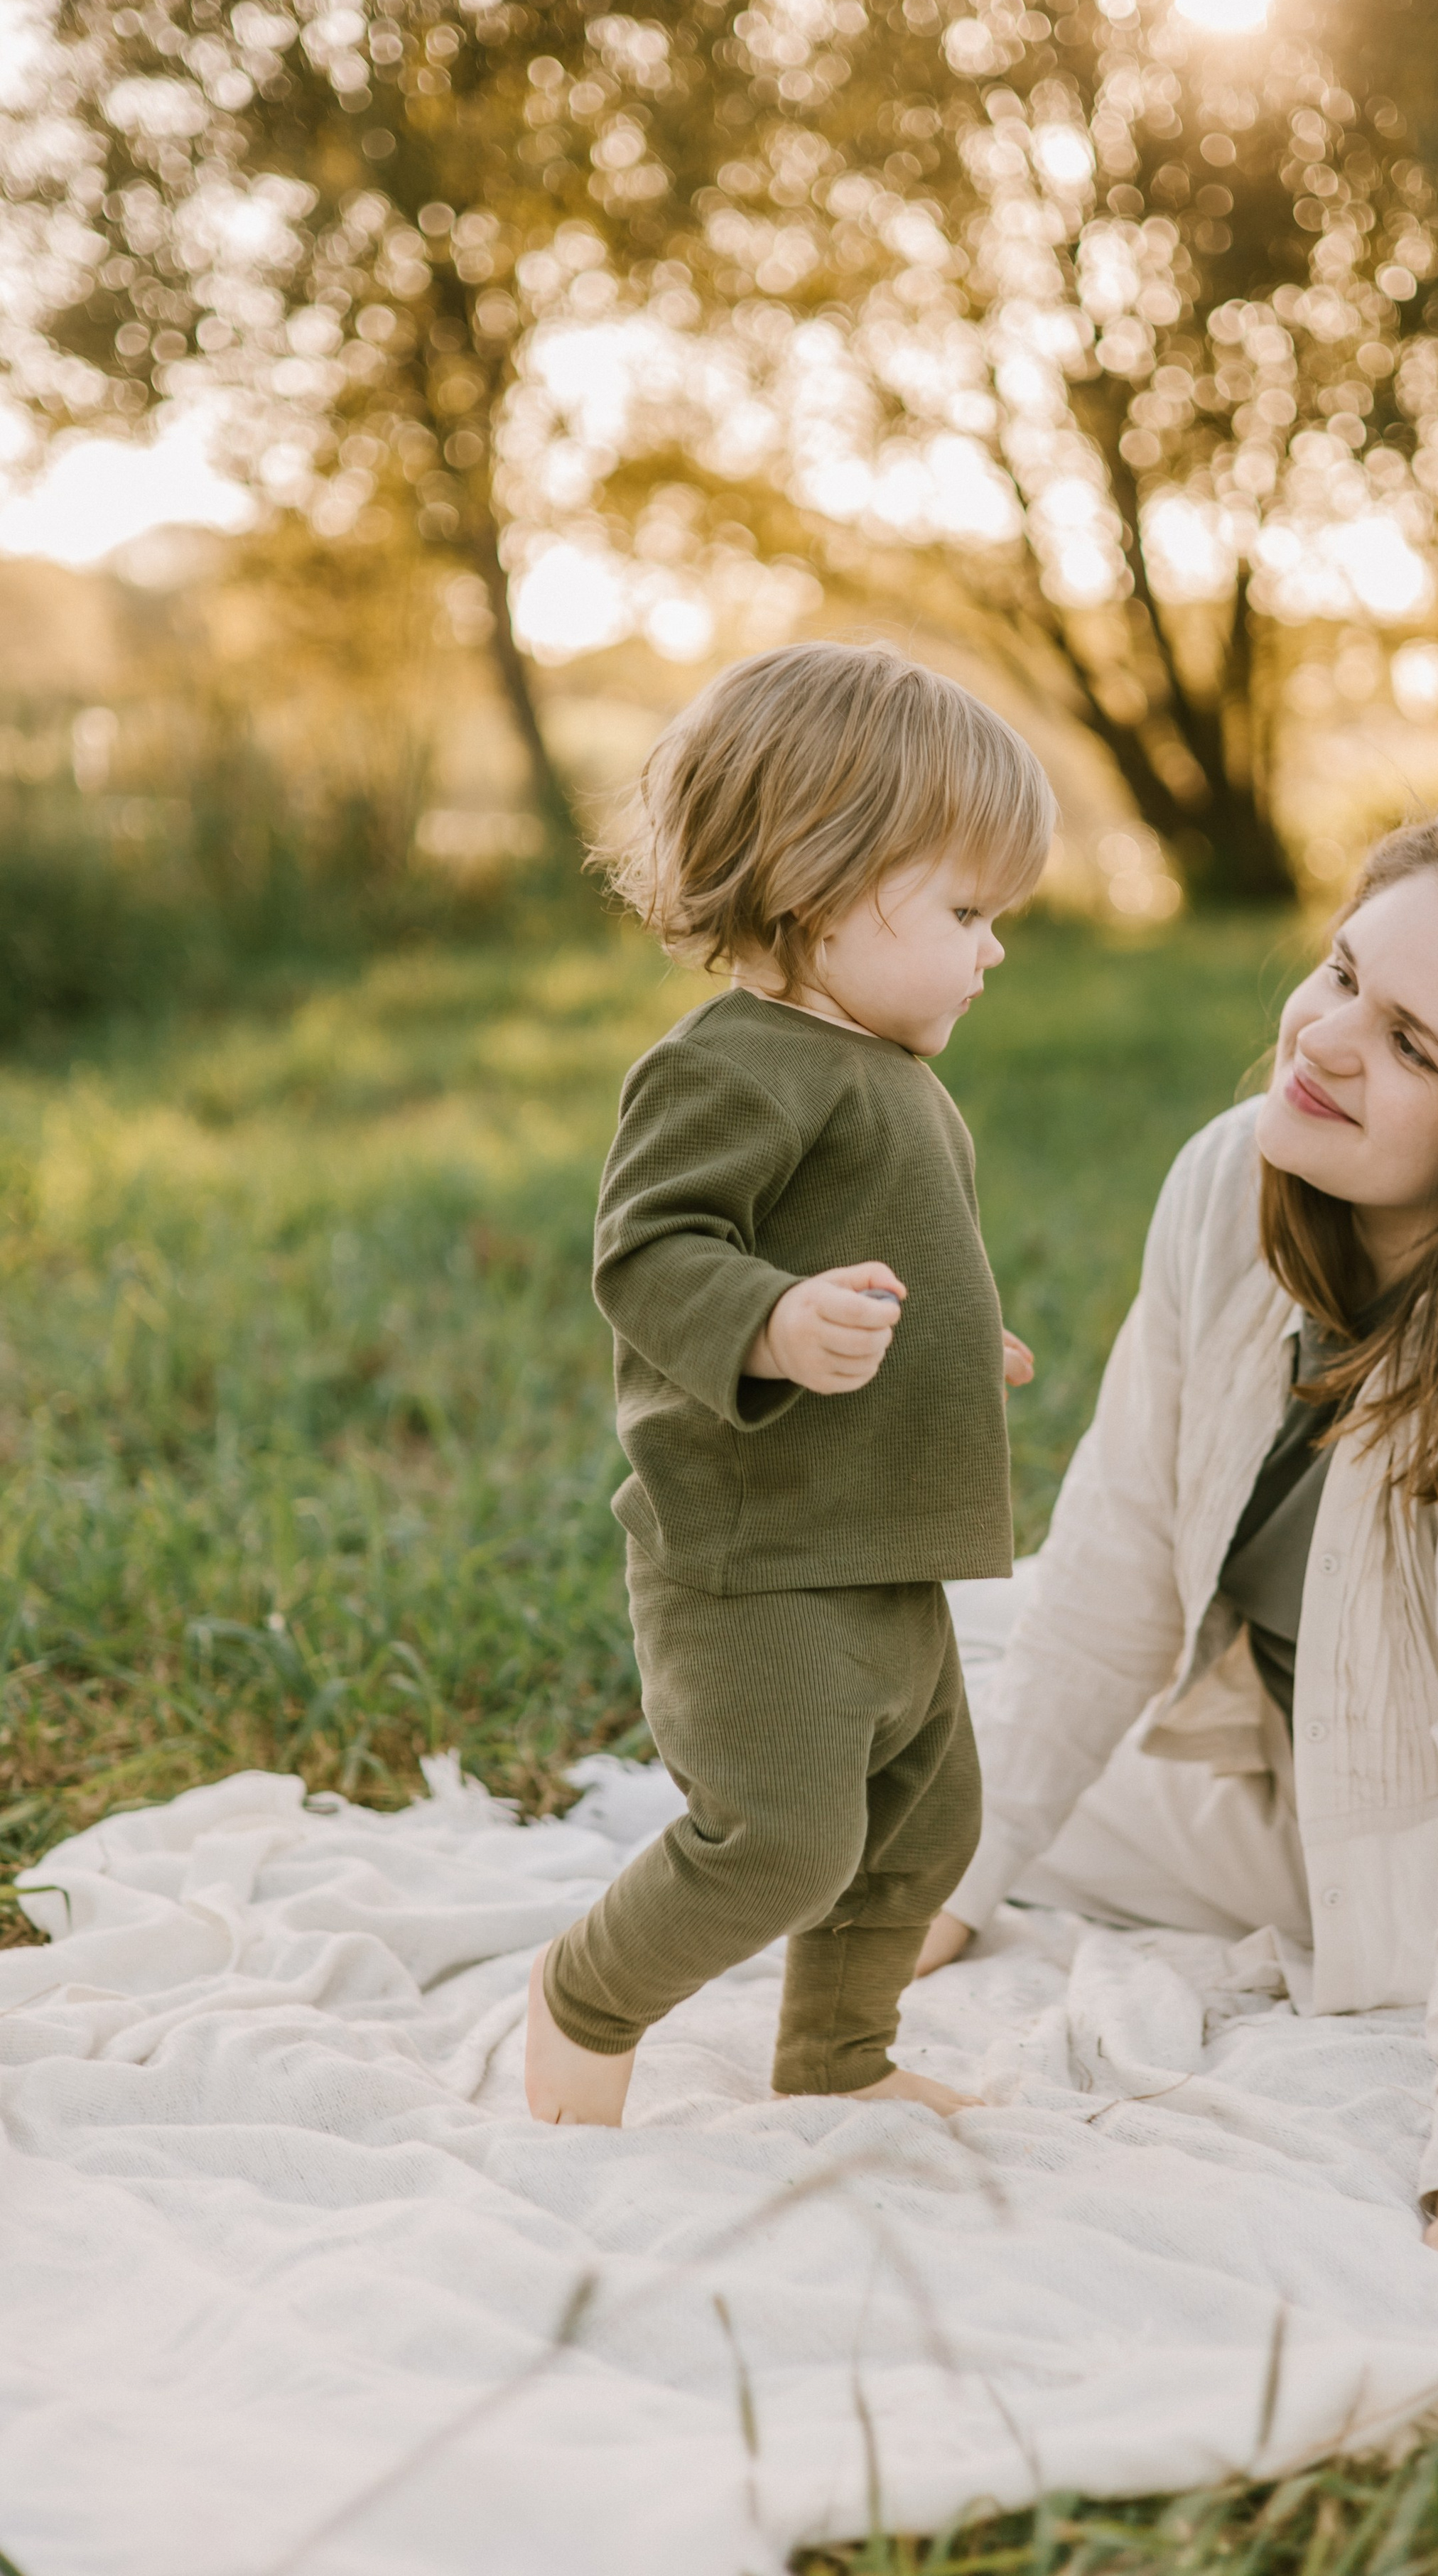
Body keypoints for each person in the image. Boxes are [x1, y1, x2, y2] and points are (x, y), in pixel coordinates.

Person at [914, 804, 1438, 2312]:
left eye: (1412, 1045)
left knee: (867, 1744)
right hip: (1257, 1712)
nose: (1320, 1036)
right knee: (851, 1671)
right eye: (1339, 970)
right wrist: (950, 1884)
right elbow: (1108, 1570)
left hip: (1436, 1845)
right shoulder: (1230, 1175)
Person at [525, 640, 1056, 2126]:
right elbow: (650, 1252)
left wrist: (960, 1347)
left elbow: (883, 1265)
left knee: (923, 1830)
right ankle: (584, 1994)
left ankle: (839, 2059)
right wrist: (768, 1322)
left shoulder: (896, 1077)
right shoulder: (728, 1065)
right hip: (761, 1566)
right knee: (782, 1838)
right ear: (822, 887)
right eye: (965, 909)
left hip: (885, 1551)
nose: (991, 947)